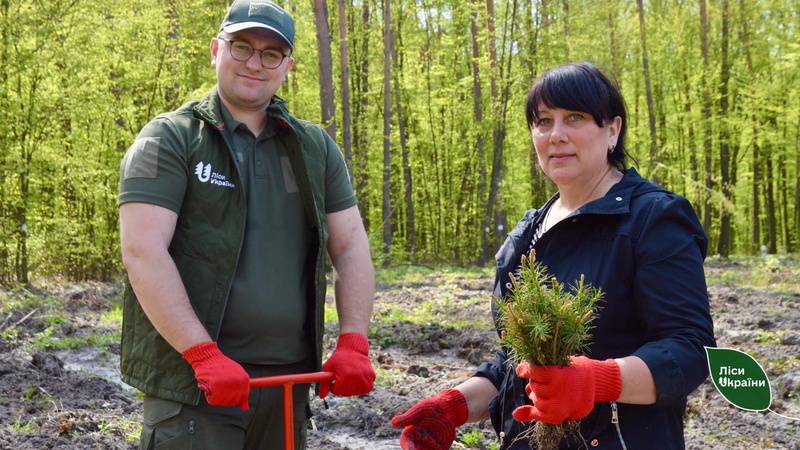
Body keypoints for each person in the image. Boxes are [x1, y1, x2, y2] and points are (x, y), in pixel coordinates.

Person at [391, 61, 716, 449]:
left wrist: (597, 380)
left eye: (574, 117)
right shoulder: (528, 233)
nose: (556, 135)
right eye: (543, 121)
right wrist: (454, 406)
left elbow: (689, 349)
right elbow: (518, 363)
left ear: (612, 130)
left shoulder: (653, 218)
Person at [117, 1, 376, 448]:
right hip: (194, 388)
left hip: (288, 386)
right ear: (216, 50)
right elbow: (143, 250)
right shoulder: (169, 138)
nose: (255, 63)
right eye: (242, 47)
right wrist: (202, 354)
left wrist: (354, 340)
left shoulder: (316, 148)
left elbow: (351, 246)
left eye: (271, 54)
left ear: (287, 66)